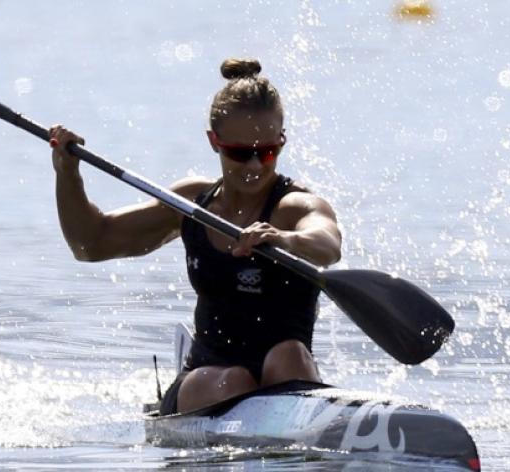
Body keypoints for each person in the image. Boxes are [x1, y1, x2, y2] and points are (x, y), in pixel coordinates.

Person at [49, 58, 342, 414]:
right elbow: (90, 244)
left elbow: (328, 244)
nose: (254, 166)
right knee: (233, 380)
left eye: (267, 152)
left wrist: (283, 239)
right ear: (214, 142)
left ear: (281, 141)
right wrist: (68, 173)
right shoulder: (191, 204)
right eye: (240, 153)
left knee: (288, 355)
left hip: (286, 376)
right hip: (207, 381)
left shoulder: (296, 206)